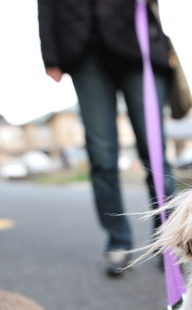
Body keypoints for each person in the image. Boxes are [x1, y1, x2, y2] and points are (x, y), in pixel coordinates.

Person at [38, 0, 177, 276]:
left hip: (137, 41)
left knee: (154, 151)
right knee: (101, 156)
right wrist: (50, 54)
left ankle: (170, 240)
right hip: (83, 47)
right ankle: (118, 243)